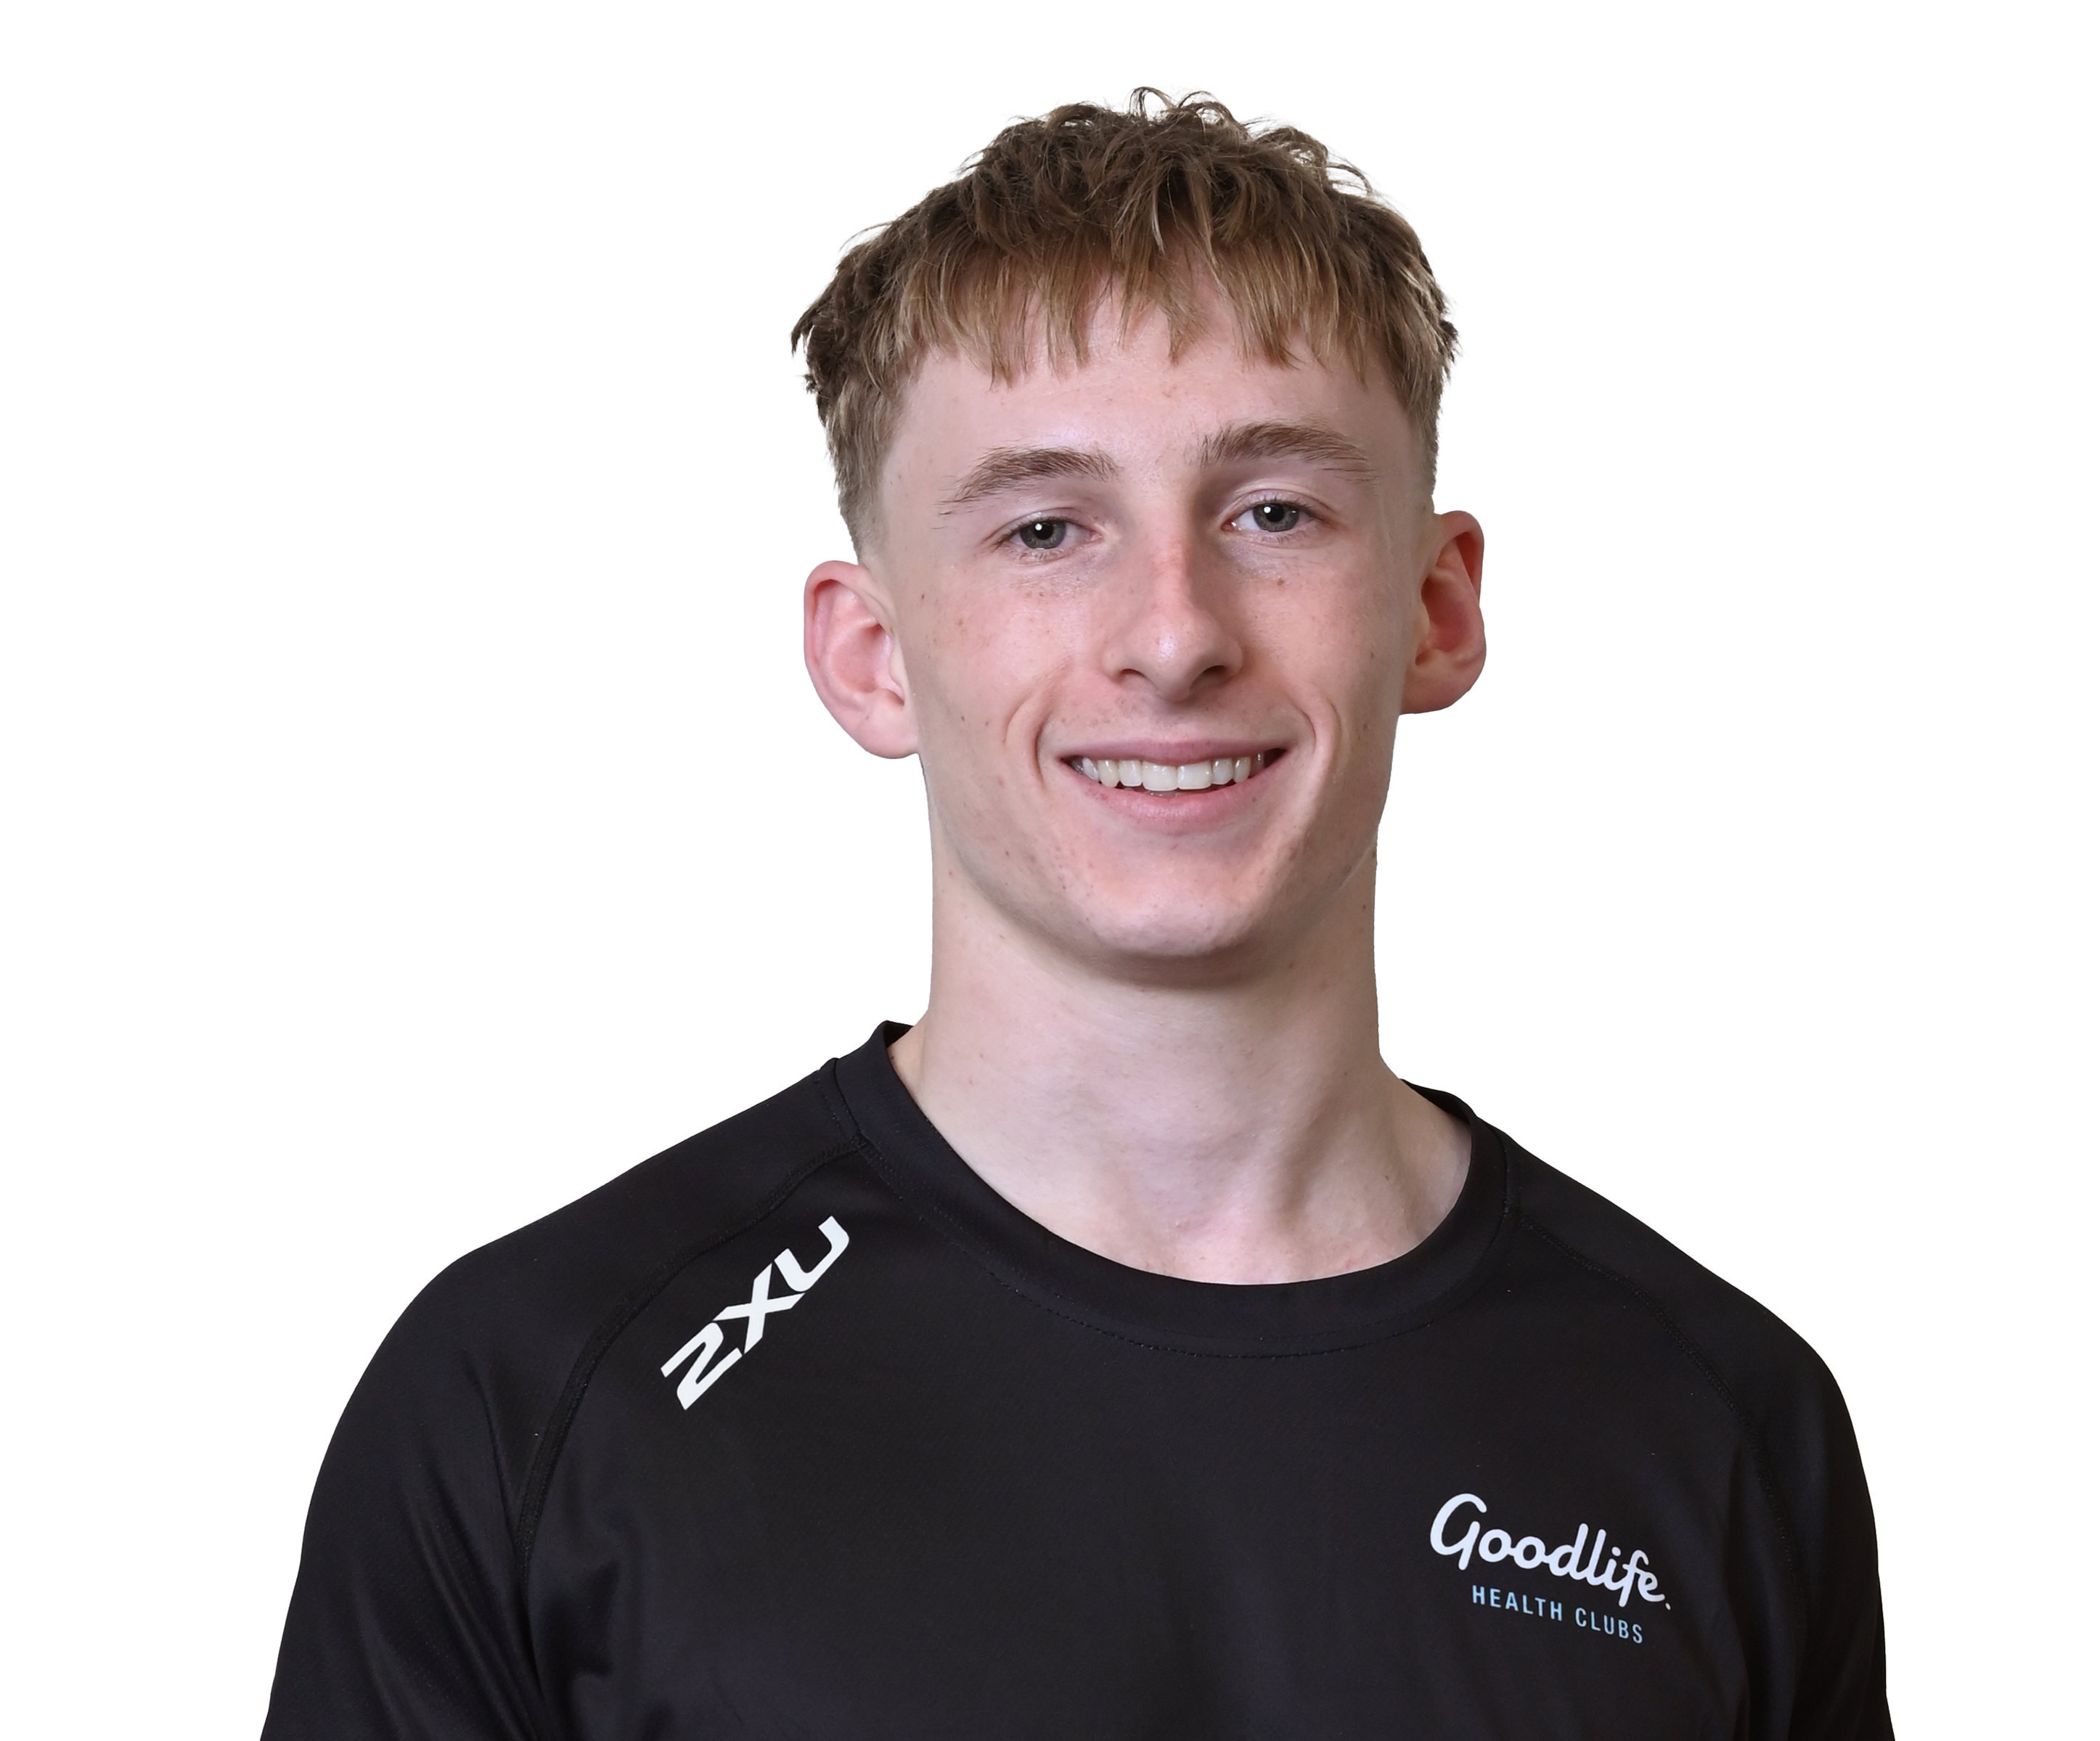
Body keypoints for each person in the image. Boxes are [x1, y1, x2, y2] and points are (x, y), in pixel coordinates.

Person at [262, 91, 1892, 1739]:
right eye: (1044, 529)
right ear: (870, 658)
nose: (1172, 639)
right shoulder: (533, 1400)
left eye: (1274, 513)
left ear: (1435, 608)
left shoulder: (1717, 1421)